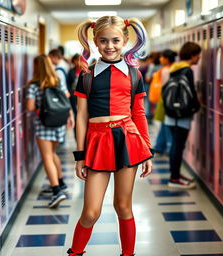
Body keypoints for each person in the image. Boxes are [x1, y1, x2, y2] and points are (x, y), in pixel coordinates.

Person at [67, 16, 153, 256]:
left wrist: (147, 151)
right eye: (103, 41)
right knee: (91, 211)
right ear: (95, 41)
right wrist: (80, 155)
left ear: (126, 40)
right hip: (97, 142)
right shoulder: (86, 75)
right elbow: (81, 117)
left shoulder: (135, 75)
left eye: (116, 40)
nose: (110, 46)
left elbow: (139, 113)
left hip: (127, 140)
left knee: (123, 206)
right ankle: (75, 253)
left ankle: (128, 254)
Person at [26, 55, 72, 208]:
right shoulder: (57, 81)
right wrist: (70, 116)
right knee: (52, 154)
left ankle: (56, 192)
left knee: (46, 157)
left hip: (44, 124)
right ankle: (61, 183)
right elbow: (67, 98)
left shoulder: (34, 85)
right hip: (59, 122)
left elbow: (31, 108)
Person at [165, 42, 201, 189]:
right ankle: (174, 178)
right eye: (198, 55)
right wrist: (196, 107)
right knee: (178, 147)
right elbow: (190, 93)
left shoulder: (174, 68)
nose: (199, 58)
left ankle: (176, 174)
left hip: (171, 112)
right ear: (192, 55)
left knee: (175, 145)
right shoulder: (187, 70)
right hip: (182, 114)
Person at [152, 49, 177, 155]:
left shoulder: (166, 70)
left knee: (166, 124)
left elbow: (164, 87)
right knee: (164, 123)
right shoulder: (174, 68)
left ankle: (169, 147)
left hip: (165, 100)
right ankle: (159, 146)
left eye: (162, 57)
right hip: (171, 100)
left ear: (166, 59)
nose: (160, 59)